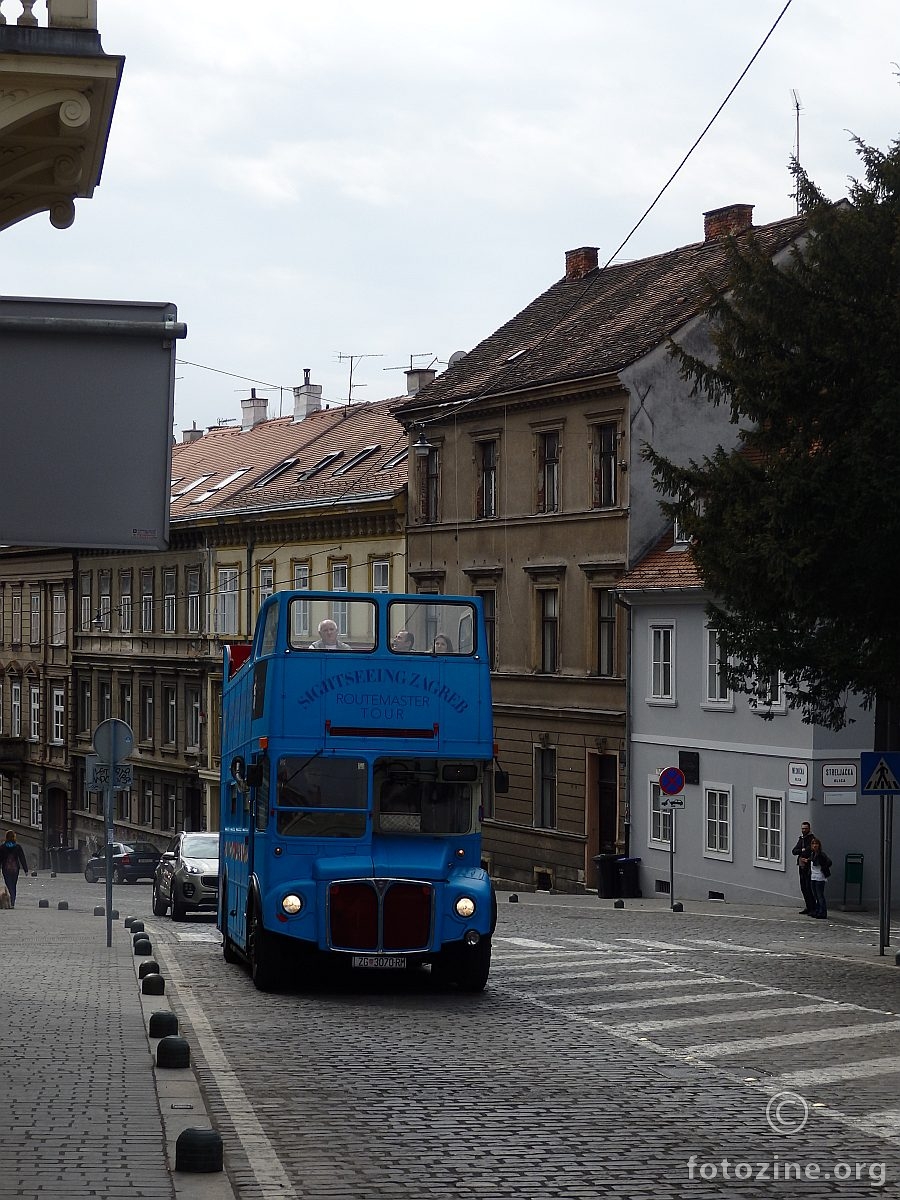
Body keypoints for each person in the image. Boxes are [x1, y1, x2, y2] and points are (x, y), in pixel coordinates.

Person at [792, 819, 815, 916]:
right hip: (801, 866)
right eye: (802, 828)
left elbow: (809, 850)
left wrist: (803, 851)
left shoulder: (812, 839)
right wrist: (802, 850)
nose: (804, 830)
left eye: (805, 828)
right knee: (803, 888)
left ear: (809, 829)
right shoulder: (801, 839)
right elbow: (794, 851)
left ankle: (812, 907)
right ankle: (808, 906)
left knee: (808, 887)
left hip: (808, 866)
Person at [1, 830, 28, 908]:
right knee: (13, 885)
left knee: (9, 885)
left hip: (6, 869)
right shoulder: (17, 847)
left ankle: (10, 901)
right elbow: (22, 858)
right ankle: (12, 902)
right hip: (15, 869)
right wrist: (25, 869)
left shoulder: (3, 847)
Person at [808, 836, 832, 919]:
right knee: (815, 896)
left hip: (820, 877)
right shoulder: (812, 854)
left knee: (820, 895)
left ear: (819, 845)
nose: (815, 845)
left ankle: (823, 912)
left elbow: (829, 862)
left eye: (816, 844)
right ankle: (817, 910)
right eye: (813, 844)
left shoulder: (821, 854)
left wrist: (823, 868)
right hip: (813, 876)